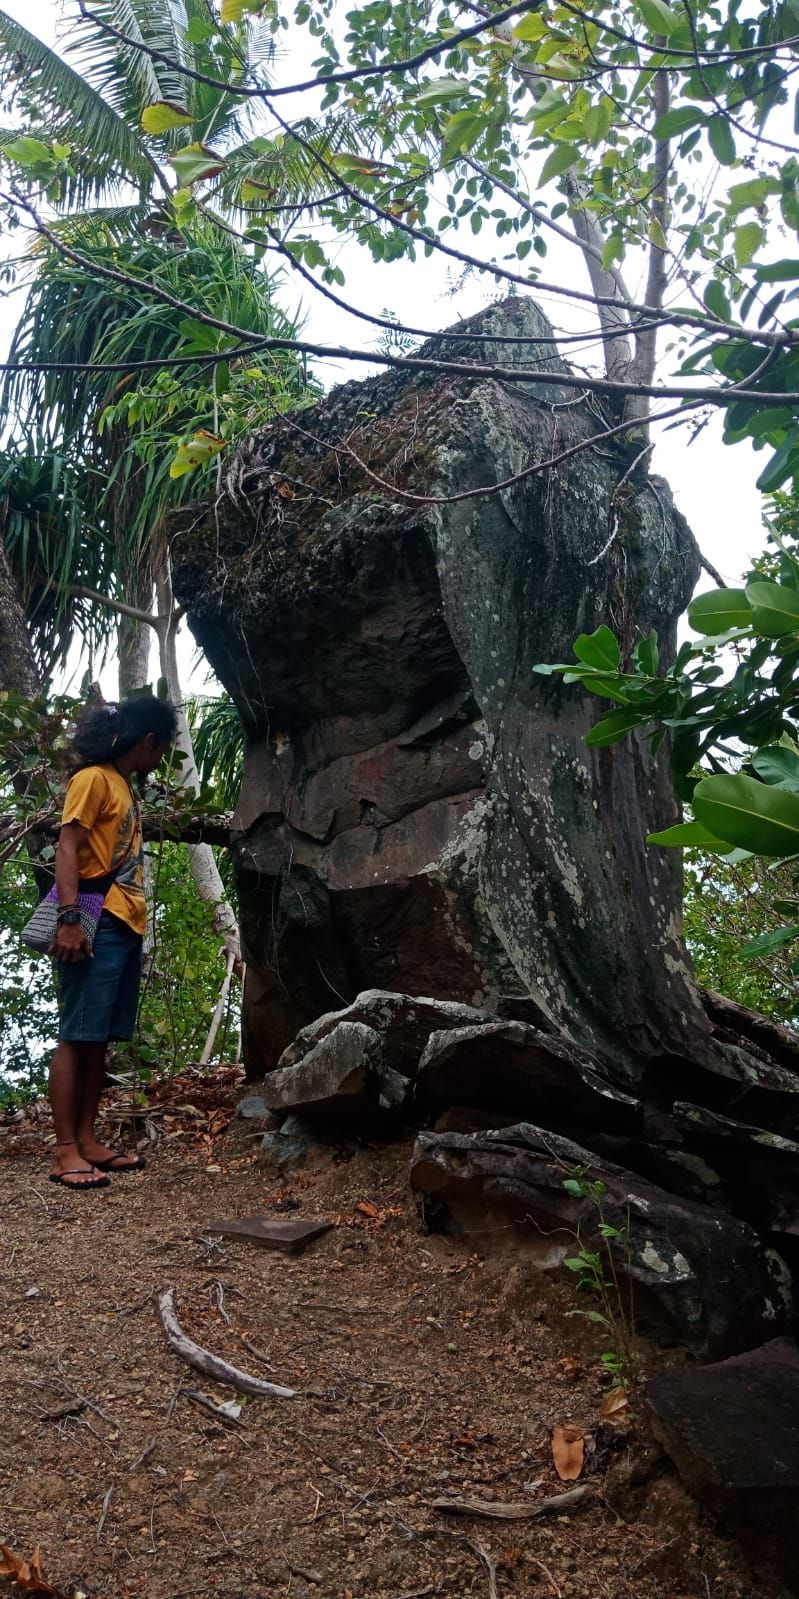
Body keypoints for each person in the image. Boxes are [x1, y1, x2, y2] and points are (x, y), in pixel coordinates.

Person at [47, 694, 178, 1191]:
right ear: (147, 741)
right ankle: (64, 1151)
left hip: (126, 922)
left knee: (97, 1037)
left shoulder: (124, 786)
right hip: (92, 921)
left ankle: (86, 1138)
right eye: (162, 748)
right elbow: (68, 847)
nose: (161, 758)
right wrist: (70, 919)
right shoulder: (93, 779)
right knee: (75, 1033)